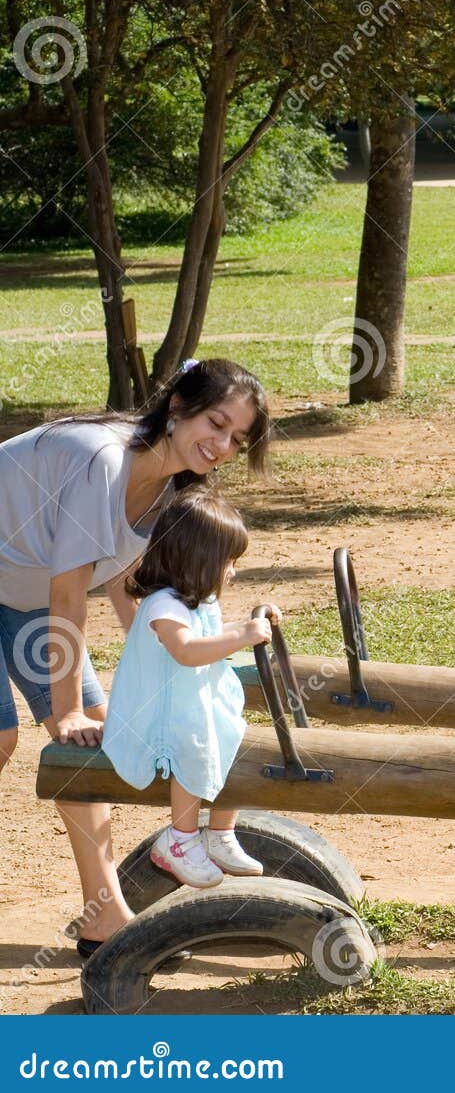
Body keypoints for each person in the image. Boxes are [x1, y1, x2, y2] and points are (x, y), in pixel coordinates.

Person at [0, 357, 269, 955]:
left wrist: (159, 677)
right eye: (215, 424)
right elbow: (68, 591)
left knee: (92, 740)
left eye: (237, 438)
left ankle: (104, 916)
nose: (223, 445)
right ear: (177, 408)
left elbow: (132, 588)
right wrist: (64, 707)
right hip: (36, 595)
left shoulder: (172, 488)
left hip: (21, 597)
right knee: (6, 739)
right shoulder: (105, 460)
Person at [104, 489, 272, 887]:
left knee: (231, 736)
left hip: (193, 704)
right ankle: (178, 840)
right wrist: (243, 636)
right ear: (199, 559)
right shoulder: (164, 606)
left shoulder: (197, 602)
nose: (232, 571)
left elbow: (210, 636)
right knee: (192, 749)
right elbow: (186, 650)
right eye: (228, 561)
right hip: (162, 717)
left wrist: (248, 628)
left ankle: (219, 833)